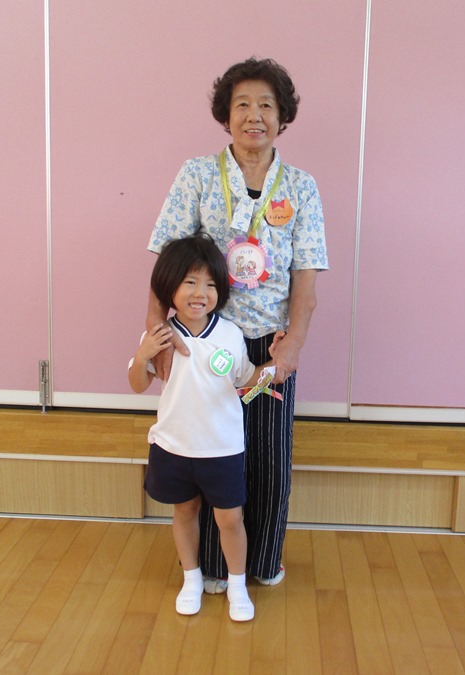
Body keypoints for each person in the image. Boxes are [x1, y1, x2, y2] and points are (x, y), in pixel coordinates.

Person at [146, 57, 328, 591]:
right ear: (226, 115)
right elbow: (164, 267)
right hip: (206, 343)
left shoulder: (301, 187)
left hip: (269, 348)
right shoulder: (197, 175)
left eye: (266, 105)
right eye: (242, 104)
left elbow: (306, 281)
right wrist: (156, 337)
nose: (254, 115)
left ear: (282, 116)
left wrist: (292, 348)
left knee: (268, 459)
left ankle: (262, 562)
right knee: (208, 453)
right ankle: (210, 567)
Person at [129, 234, 279, 622]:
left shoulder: (229, 334)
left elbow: (246, 381)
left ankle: (237, 585)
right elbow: (138, 384)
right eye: (190, 282)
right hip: (174, 446)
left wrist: (274, 366)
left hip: (223, 448)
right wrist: (142, 356)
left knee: (230, 519)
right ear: (169, 286)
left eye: (211, 284)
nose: (201, 293)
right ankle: (191, 578)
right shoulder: (159, 335)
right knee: (184, 512)